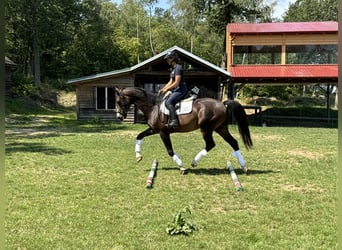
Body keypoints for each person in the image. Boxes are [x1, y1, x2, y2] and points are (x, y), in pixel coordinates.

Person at [159, 51, 188, 128]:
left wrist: (167, 89)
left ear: (172, 58)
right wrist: (163, 89)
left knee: (168, 102)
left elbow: (176, 83)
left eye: (168, 59)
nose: (167, 61)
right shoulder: (173, 70)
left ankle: (174, 121)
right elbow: (171, 81)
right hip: (177, 90)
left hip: (181, 89)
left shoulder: (178, 68)